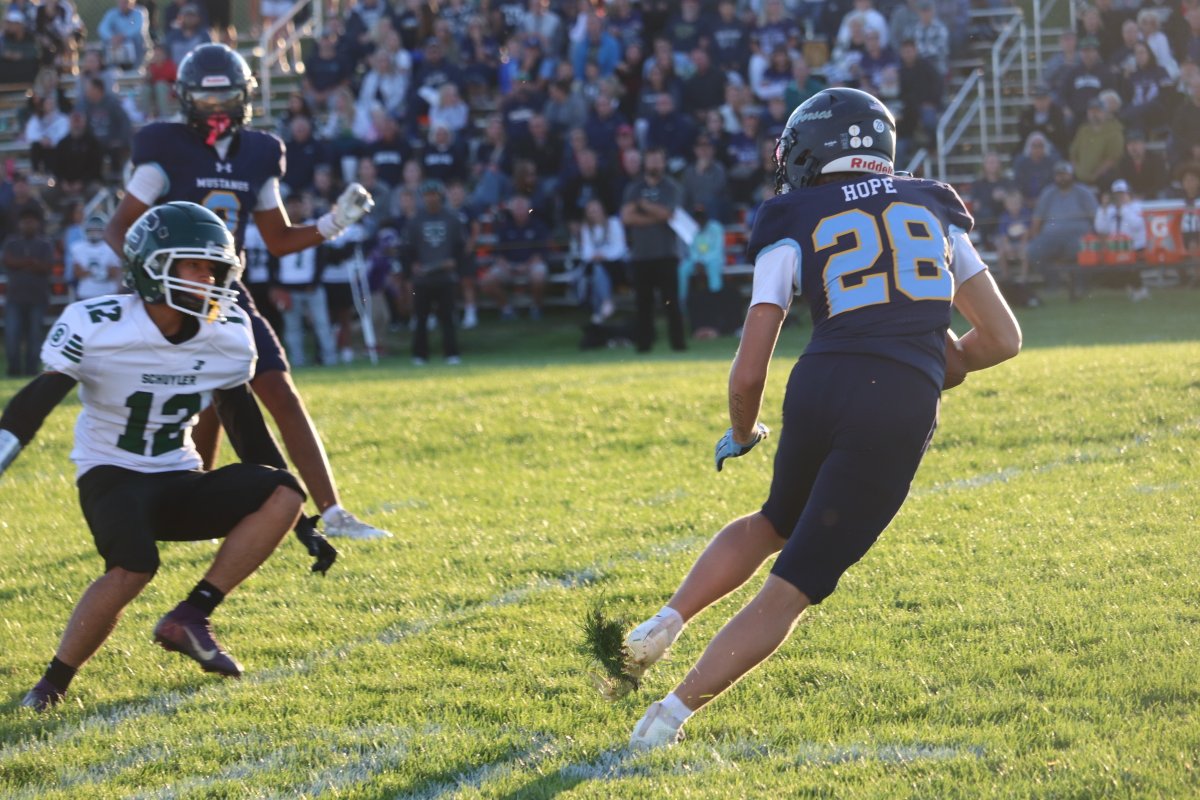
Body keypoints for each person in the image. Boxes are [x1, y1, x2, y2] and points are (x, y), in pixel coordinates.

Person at [620, 88, 1022, 749]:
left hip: (820, 381)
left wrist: (744, 431)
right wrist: (937, 360)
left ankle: (664, 623)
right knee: (791, 588)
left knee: (773, 520)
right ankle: (664, 721)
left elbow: (750, 369)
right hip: (895, 403)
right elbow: (1002, 338)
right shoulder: (931, 202)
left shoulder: (792, 212)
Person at [1, 202, 327, 711]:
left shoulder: (227, 332)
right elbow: (37, 401)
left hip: (178, 473)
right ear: (152, 266)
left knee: (284, 490)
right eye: (194, 265)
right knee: (133, 567)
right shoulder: (100, 323)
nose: (208, 277)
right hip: (112, 474)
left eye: (214, 268)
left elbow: (244, 425)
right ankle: (52, 683)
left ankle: (191, 616)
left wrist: (302, 523)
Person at [104, 44, 390, 541]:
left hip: (227, 291)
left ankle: (334, 512)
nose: (216, 109)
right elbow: (119, 229)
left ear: (244, 97)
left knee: (279, 390)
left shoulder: (257, 153)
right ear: (185, 99)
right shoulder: (163, 148)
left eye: (225, 98)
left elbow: (277, 239)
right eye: (206, 99)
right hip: (175, 294)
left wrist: (332, 223)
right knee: (204, 404)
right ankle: (190, 505)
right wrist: (149, 281)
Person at [621, 147, 685, 353]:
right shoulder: (634, 187)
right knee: (643, 304)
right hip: (641, 255)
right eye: (651, 160)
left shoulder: (671, 187)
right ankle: (644, 345)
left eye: (658, 160)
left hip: (666, 253)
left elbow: (669, 214)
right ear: (645, 163)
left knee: (671, 303)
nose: (655, 165)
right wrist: (654, 215)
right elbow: (626, 217)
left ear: (663, 163)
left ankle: (678, 344)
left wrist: (644, 206)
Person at [402, 180, 465, 365]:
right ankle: (420, 355)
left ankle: (451, 353)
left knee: (448, 318)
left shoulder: (452, 219)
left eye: (434, 194)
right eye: (427, 195)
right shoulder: (415, 221)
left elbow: (460, 247)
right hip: (423, 278)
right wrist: (412, 266)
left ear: (440, 196)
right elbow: (408, 249)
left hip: (445, 277)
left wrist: (454, 262)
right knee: (420, 319)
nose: (431, 198)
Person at [275, 193, 337, 367]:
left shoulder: (313, 226)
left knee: (322, 325)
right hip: (289, 287)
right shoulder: (279, 228)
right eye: (291, 205)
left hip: (312, 287)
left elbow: (321, 257)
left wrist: (315, 282)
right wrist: (278, 285)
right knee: (293, 328)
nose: (294, 208)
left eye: (298, 204)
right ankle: (297, 361)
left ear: (304, 205)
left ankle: (330, 360)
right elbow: (273, 258)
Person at [1027, 161, 1099, 298]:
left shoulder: (1083, 192)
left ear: (1071, 175)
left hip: (1078, 235)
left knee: (1083, 250)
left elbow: (1096, 217)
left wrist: (1093, 235)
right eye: (1059, 175)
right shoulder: (1048, 193)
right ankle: (1055, 283)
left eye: (1065, 174)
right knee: (1033, 251)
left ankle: (1080, 285)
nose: (1062, 178)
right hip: (1050, 236)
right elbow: (1037, 219)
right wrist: (1036, 237)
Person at [2, 208, 55, 377]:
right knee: (12, 336)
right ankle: (14, 370)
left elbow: (47, 267)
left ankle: (32, 370)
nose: (28, 224)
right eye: (25, 221)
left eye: (31, 221)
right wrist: (31, 263)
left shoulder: (45, 244)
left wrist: (22, 264)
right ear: (19, 224)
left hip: (37, 298)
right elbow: (8, 261)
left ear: (38, 224)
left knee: (35, 336)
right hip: (15, 298)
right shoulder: (11, 243)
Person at [481, 194, 551, 321]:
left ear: (528, 209)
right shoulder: (504, 227)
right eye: (517, 208)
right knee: (487, 281)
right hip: (509, 265)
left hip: (531, 264)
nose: (519, 211)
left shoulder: (538, 226)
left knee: (539, 276)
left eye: (522, 208)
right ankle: (506, 309)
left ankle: (536, 307)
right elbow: (498, 253)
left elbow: (541, 253)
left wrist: (527, 266)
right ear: (511, 210)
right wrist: (506, 265)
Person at [69, 215, 123, 300]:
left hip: (107, 292)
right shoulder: (78, 247)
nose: (94, 233)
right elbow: (77, 273)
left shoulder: (111, 247)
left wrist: (99, 273)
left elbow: (115, 272)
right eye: (91, 230)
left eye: (97, 230)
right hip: (86, 293)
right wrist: (100, 271)